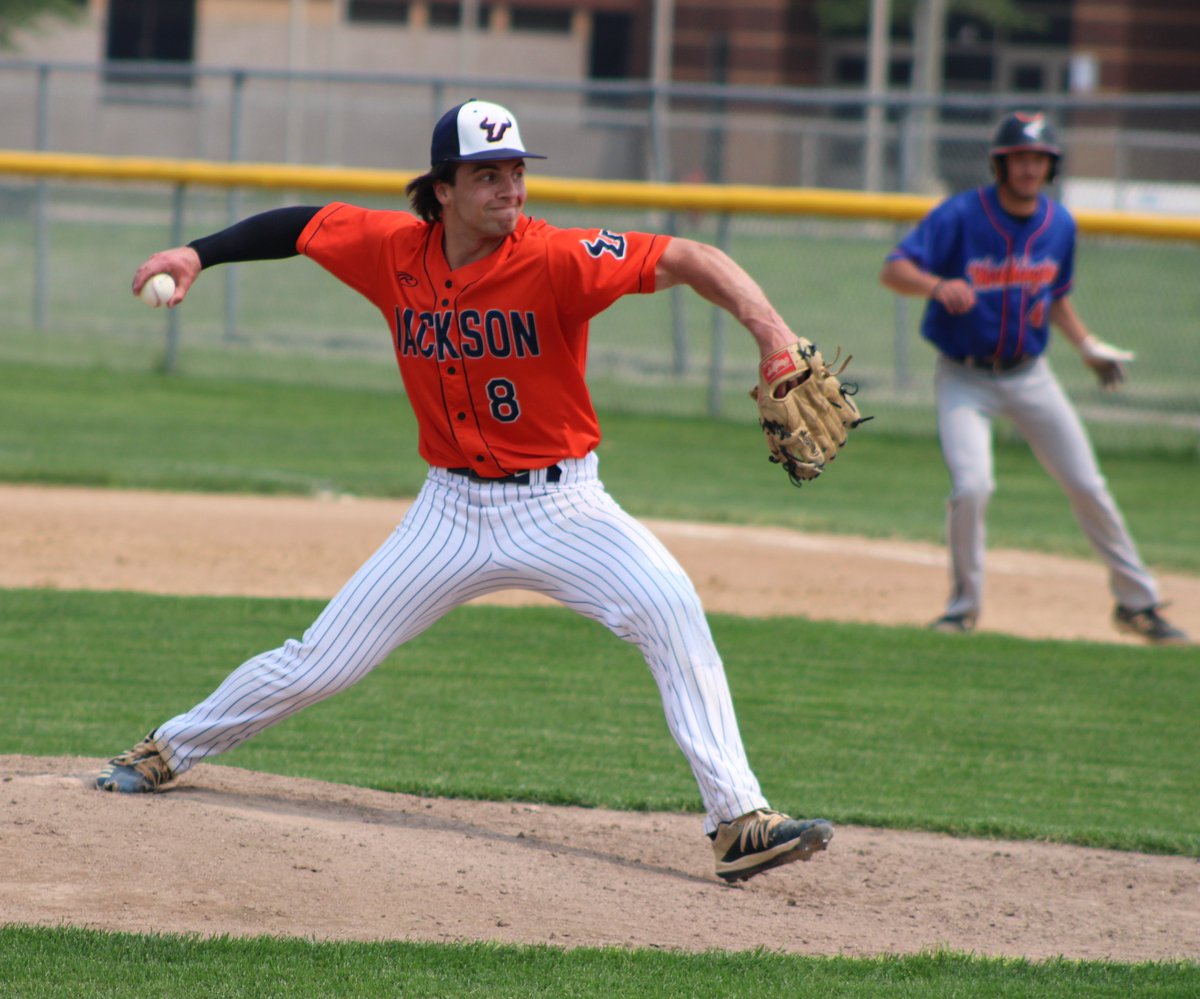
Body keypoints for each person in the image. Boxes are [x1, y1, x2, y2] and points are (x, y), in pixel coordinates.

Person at [96, 99, 835, 883]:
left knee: (668, 605)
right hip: (448, 511)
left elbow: (690, 256)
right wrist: (196, 255)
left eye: (515, 170)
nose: (509, 187)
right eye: (488, 174)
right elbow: (301, 226)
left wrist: (771, 331)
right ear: (442, 188)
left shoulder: (557, 256)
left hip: (563, 505)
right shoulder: (391, 250)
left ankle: (739, 820)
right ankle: (168, 747)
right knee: (323, 661)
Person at [879, 110, 1188, 645]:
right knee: (972, 486)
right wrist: (933, 285)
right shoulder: (958, 215)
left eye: (1038, 159)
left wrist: (1088, 347)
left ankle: (1138, 605)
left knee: (1088, 485)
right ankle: (962, 608)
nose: (1028, 168)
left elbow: (1056, 297)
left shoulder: (1060, 224)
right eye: (1019, 158)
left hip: (1031, 376)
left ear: (1051, 167)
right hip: (964, 377)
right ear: (1000, 165)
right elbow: (894, 269)